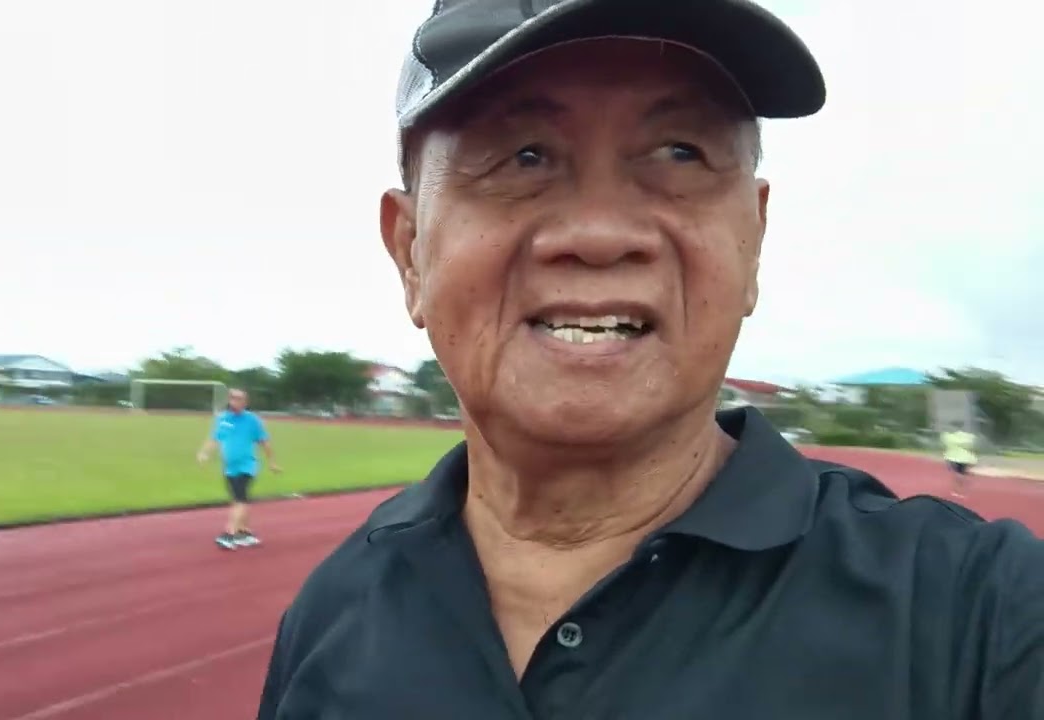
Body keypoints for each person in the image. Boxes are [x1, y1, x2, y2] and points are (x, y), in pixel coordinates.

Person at [257, 1, 1044, 718]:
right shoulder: (333, 616)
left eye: (679, 151)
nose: (600, 233)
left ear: (754, 240)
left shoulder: (982, 617)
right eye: (524, 157)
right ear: (410, 255)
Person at [197, 388, 280, 549]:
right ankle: (245, 532)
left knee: (240, 500)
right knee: (238, 500)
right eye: (232, 398)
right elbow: (215, 438)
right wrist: (204, 452)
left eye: (239, 398)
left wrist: (272, 462)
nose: (235, 401)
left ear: (245, 402)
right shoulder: (223, 419)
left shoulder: (252, 420)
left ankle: (229, 534)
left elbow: (264, 442)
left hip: (247, 465)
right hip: (230, 467)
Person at [941, 423, 979, 498]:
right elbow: (972, 445)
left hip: (953, 457)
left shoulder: (949, 436)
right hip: (965, 458)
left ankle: (958, 490)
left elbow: (946, 443)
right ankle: (961, 489)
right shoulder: (967, 437)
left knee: (957, 474)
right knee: (961, 473)